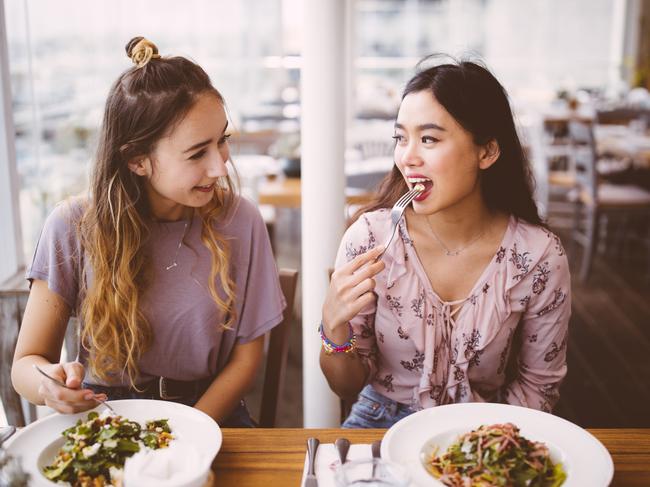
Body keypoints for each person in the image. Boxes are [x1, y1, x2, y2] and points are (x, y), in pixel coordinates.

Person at [11, 37, 285, 427]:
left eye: (221, 140)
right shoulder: (71, 226)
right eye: (196, 153)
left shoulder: (241, 221)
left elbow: (245, 360)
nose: (220, 167)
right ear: (137, 160)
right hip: (106, 417)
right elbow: (26, 364)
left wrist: (184, 434)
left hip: (208, 415)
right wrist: (49, 386)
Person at [320, 56, 571, 428]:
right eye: (400, 138)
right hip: (380, 421)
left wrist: (485, 446)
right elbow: (345, 386)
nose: (407, 157)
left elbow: (539, 385)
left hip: (489, 429)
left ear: (486, 151)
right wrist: (333, 327)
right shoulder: (371, 238)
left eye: (429, 139)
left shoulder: (538, 257)